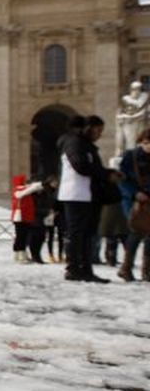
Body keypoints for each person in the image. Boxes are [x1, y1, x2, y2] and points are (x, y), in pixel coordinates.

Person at [56, 115, 116, 282]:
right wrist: (106, 174)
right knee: (78, 234)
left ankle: (85, 269)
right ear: (89, 127)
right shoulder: (74, 143)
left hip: (86, 194)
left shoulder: (84, 144)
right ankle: (74, 268)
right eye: (98, 130)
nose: (100, 134)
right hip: (77, 194)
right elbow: (80, 166)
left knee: (87, 234)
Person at [116, 128, 150, 281]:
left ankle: (147, 270)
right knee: (136, 232)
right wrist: (134, 193)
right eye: (146, 143)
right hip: (133, 200)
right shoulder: (131, 156)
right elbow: (122, 178)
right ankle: (126, 267)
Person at [10, 174, 43, 263]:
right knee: (21, 237)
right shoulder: (18, 191)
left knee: (23, 236)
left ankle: (20, 254)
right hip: (20, 218)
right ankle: (20, 254)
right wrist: (33, 186)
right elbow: (24, 192)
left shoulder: (23, 190)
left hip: (25, 217)